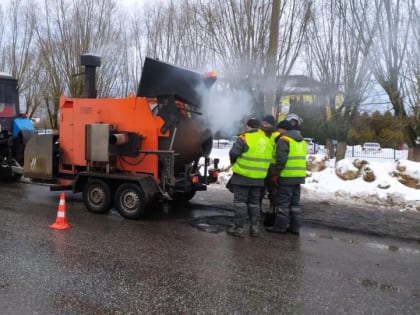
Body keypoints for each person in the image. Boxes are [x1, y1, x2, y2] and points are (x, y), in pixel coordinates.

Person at [227, 117, 273, 238]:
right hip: (259, 178)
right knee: (254, 204)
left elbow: (233, 153)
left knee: (240, 203)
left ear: (248, 127)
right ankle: (254, 229)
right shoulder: (266, 140)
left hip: (243, 176)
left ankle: (238, 229)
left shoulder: (244, 138)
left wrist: (234, 162)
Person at [266, 119, 307, 235]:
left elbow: (281, 160)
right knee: (295, 204)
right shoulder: (301, 141)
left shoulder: (284, 140)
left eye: (279, 129)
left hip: (286, 176)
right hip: (298, 176)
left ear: (283, 129)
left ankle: (280, 226)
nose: (278, 131)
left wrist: (276, 174)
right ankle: (295, 228)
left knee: (283, 203)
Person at [260, 114, 280, 226]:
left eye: (267, 123)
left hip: (272, 166)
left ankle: (273, 211)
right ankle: (257, 211)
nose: (265, 125)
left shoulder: (277, 135)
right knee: (259, 190)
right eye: (264, 123)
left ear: (272, 124)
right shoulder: (260, 134)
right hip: (261, 165)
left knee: (273, 191)